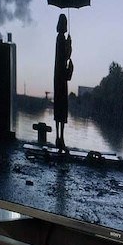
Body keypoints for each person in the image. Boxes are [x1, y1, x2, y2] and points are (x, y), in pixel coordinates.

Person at [53, 13, 73, 152]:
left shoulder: (59, 38)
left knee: (59, 107)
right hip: (61, 78)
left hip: (58, 76)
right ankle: (61, 138)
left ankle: (58, 137)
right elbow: (65, 56)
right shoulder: (61, 39)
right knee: (62, 107)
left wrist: (68, 44)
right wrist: (69, 44)